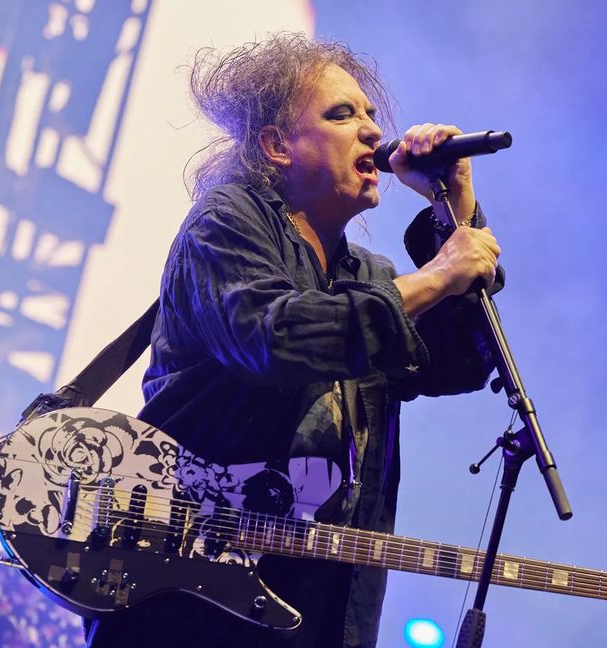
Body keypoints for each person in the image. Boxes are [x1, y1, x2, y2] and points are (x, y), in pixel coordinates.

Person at [84, 33, 502, 648]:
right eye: (342, 114)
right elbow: (278, 337)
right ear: (277, 145)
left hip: (317, 609)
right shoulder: (227, 221)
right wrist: (439, 274)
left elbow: (461, 364)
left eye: (369, 115)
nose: (370, 131)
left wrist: (453, 209)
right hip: (185, 603)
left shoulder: (367, 275)